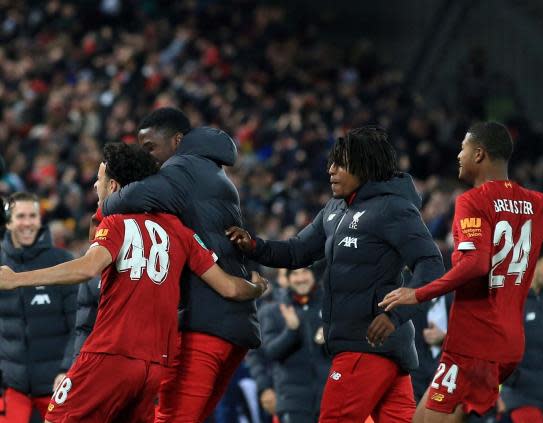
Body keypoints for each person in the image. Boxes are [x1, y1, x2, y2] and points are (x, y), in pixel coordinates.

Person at [0, 143, 267, 423]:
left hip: (109, 355)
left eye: (100, 178)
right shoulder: (179, 230)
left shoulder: (115, 222)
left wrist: (16, 279)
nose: (94, 185)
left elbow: (88, 267)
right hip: (153, 367)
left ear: (114, 186)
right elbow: (230, 287)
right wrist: (258, 287)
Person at [227, 126, 445, 422]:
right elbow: (297, 251)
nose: (330, 170)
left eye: (340, 164)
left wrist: (396, 314)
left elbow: (431, 264)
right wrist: (253, 246)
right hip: (373, 349)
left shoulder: (394, 208)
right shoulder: (335, 209)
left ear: (364, 166)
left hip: (365, 345)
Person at [379, 121, 543, 422]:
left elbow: (476, 264)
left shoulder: (473, 201)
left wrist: (419, 293)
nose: (458, 155)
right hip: (506, 343)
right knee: (422, 417)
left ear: (479, 154)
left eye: (462, 148)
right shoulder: (536, 203)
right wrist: (537, 237)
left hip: (476, 341)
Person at [101, 107, 260, 422]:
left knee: (172, 417)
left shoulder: (180, 170)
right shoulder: (212, 171)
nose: (148, 158)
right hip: (233, 324)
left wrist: (105, 193)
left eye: (150, 148)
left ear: (176, 140)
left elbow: (118, 203)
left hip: (203, 322)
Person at [0, 192, 77, 423]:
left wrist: (68, 369)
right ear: (8, 222)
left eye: (32, 216)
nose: (27, 223)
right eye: (20, 216)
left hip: (57, 386)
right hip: (13, 388)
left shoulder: (63, 261)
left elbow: (79, 324)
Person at [259, 267, 330, 423]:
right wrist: (291, 331)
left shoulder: (330, 306)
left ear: (314, 275)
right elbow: (270, 353)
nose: (300, 278)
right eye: (295, 274)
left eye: (305, 272)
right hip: (293, 402)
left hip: (330, 398)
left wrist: (331, 337)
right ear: (288, 279)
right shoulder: (273, 310)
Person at [501, 252, 543, 423]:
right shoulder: (513, 304)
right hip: (522, 398)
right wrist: (510, 383)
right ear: (534, 267)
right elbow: (499, 349)